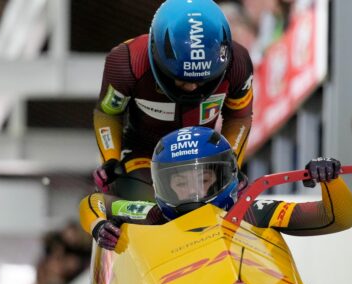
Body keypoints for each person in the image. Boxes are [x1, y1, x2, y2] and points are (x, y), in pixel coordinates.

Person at [80, 127, 352, 250]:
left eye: (202, 179)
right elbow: (96, 201)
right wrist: (97, 227)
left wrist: (330, 180)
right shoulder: (153, 215)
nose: (192, 191)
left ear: (224, 177)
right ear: (162, 185)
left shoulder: (251, 212)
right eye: (180, 182)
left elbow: (339, 217)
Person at [92, 0, 254, 200]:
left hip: (202, 157)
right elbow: (108, 113)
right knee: (148, 209)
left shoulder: (238, 63)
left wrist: (232, 163)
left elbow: (239, 117)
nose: (192, 87)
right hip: (144, 156)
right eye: (181, 79)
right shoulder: (127, 62)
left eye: (203, 79)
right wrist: (110, 159)